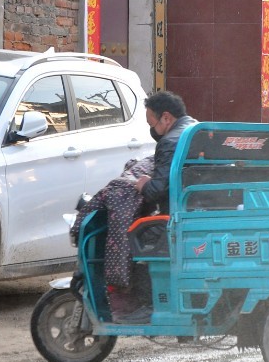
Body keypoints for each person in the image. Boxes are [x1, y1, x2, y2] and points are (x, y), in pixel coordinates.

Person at [72, 90, 197, 324]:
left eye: (153, 123)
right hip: (194, 211)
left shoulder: (170, 142)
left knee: (130, 237)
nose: (153, 130)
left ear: (166, 118)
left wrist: (143, 185)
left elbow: (157, 190)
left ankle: (138, 304)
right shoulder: (195, 130)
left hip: (176, 218)